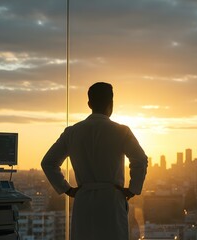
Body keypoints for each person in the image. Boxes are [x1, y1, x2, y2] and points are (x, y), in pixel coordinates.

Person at [41, 82, 148, 240]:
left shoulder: (72, 132)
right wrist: (133, 189)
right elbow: (140, 159)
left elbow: (48, 163)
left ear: (89, 104)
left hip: (84, 200)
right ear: (111, 104)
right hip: (112, 201)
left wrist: (68, 189)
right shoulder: (121, 132)